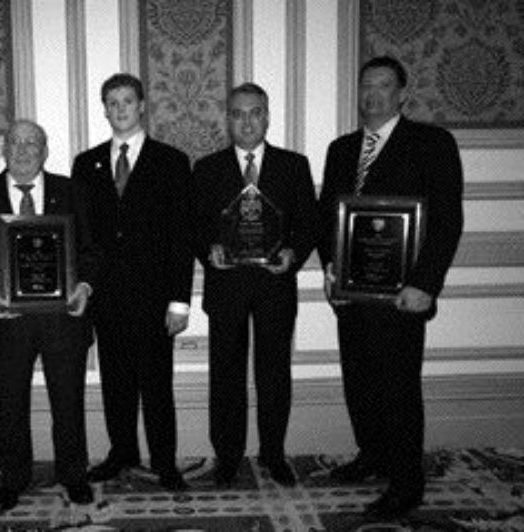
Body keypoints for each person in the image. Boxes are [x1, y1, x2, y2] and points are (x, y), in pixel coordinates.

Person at [318, 56, 464, 519]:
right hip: (352, 296)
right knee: (359, 383)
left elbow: (446, 222)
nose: (373, 95)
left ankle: (406, 483)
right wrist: (331, 272)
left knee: (398, 389)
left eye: (383, 86)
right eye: (366, 86)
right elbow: (329, 219)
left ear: (402, 93)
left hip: (402, 298)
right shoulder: (341, 150)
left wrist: (425, 285)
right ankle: (372, 456)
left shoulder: (432, 144)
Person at [0, 120, 99, 513]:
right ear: (3, 149)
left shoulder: (74, 193)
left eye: (31, 143)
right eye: (14, 143)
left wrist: (84, 286)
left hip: (64, 318)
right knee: (8, 405)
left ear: (45, 150)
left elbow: (91, 251)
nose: (22, 150)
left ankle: (74, 475)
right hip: (6, 319)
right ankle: (13, 478)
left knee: (68, 403)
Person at [70, 73, 195, 491]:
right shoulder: (85, 164)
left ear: (142, 106)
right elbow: (81, 235)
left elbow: (182, 236)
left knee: (158, 384)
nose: (120, 109)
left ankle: (165, 462)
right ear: (104, 109)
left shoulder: (172, 161)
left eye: (127, 101)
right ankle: (121, 452)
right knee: (116, 383)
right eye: (112, 102)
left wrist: (180, 301)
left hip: (155, 296)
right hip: (105, 297)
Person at [192, 82, 319, 488]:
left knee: (274, 374)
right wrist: (207, 248)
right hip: (226, 286)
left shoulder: (293, 165)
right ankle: (228, 457)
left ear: (267, 116)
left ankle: (273, 453)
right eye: (237, 113)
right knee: (225, 376)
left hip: (274, 287)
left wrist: (293, 254)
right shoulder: (207, 169)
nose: (246, 121)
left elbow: (309, 224)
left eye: (254, 112)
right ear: (227, 119)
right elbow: (192, 227)